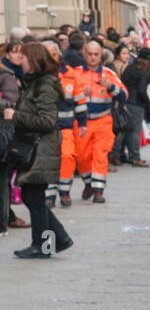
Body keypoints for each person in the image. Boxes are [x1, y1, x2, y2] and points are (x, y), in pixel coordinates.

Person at [8, 43, 73, 258]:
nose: (21, 61)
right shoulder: (35, 82)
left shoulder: (44, 84)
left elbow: (47, 121)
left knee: (33, 196)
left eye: (24, 57)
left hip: (41, 148)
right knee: (32, 196)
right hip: (36, 147)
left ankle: (43, 246)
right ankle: (59, 239)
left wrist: (15, 116)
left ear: (34, 60)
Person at [70, 40, 127, 202]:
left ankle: (98, 191)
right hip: (81, 122)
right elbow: (64, 96)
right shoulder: (75, 73)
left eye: (96, 54)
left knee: (100, 154)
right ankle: (89, 183)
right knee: (81, 156)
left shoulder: (109, 74)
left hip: (103, 120)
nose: (93, 58)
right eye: (90, 54)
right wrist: (81, 93)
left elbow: (124, 95)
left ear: (101, 54)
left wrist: (110, 87)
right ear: (83, 53)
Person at [41, 39, 87, 207]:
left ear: (58, 55)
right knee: (48, 161)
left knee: (67, 157)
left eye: (53, 54)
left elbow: (79, 100)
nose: (50, 57)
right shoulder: (37, 74)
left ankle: (65, 191)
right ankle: (49, 195)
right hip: (43, 128)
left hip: (65, 125)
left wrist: (82, 123)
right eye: (47, 54)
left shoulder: (68, 74)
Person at [0, 41, 28, 233]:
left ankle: (3, 221)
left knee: (3, 177)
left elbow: (11, 103)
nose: (19, 56)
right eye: (15, 52)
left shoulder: (6, 75)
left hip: (4, 130)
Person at [119, 47, 150, 168]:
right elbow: (141, 90)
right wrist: (148, 103)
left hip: (125, 101)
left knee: (124, 130)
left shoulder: (129, 68)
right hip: (136, 103)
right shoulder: (143, 72)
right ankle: (135, 157)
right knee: (135, 132)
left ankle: (119, 155)